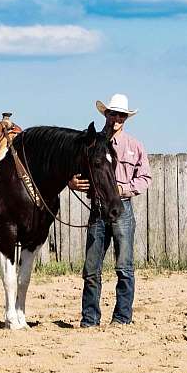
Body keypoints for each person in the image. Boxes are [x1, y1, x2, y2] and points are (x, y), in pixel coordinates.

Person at [69, 93, 151, 327]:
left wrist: (123, 189)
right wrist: (71, 182)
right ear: (106, 114)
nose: (117, 118)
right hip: (97, 208)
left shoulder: (135, 146)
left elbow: (145, 178)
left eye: (121, 115)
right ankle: (90, 318)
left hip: (122, 207)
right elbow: (72, 169)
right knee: (91, 269)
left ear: (126, 118)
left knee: (124, 267)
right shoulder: (90, 143)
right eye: (113, 113)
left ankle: (122, 317)